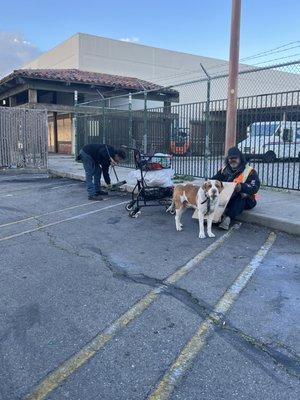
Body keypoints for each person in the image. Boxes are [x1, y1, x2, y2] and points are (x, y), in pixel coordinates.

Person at [212, 146, 260, 230]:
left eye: (235, 158)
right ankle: (212, 216)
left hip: (247, 200)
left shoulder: (250, 171)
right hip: (229, 198)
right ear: (228, 159)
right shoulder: (224, 170)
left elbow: (254, 188)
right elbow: (214, 179)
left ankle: (228, 219)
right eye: (230, 158)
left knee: (241, 195)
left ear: (240, 158)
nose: (232, 160)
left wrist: (241, 187)